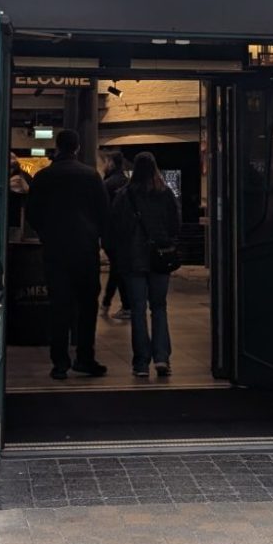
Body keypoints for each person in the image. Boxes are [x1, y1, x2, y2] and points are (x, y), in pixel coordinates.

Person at [26, 129, 109, 381]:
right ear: (78, 147)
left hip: (55, 251)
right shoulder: (91, 176)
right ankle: (85, 356)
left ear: (57, 147)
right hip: (85, 250)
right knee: (87, 306)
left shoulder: (43, 177)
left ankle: (59, 362)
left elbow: (32, 213)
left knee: (59, 307)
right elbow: (103, 213)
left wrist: (46, 234)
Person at [108, 150, 181, 380]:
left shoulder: (124, 195)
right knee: (159, 308)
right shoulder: (166, 194)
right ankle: (162, 357)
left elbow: (115, 229)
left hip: (133, 261)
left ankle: (141, 362)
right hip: (159, 258)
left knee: (138, 311)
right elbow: (175, 226)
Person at [99, 149, 130, 318]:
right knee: (118, 269)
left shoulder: (108, 184)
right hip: (125, 234)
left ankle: (120, 305)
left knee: (118, 270)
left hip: (111, 233)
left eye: (105, 162)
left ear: (111, 163)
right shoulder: (126, 182)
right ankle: (113, 303)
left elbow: (103, 210)